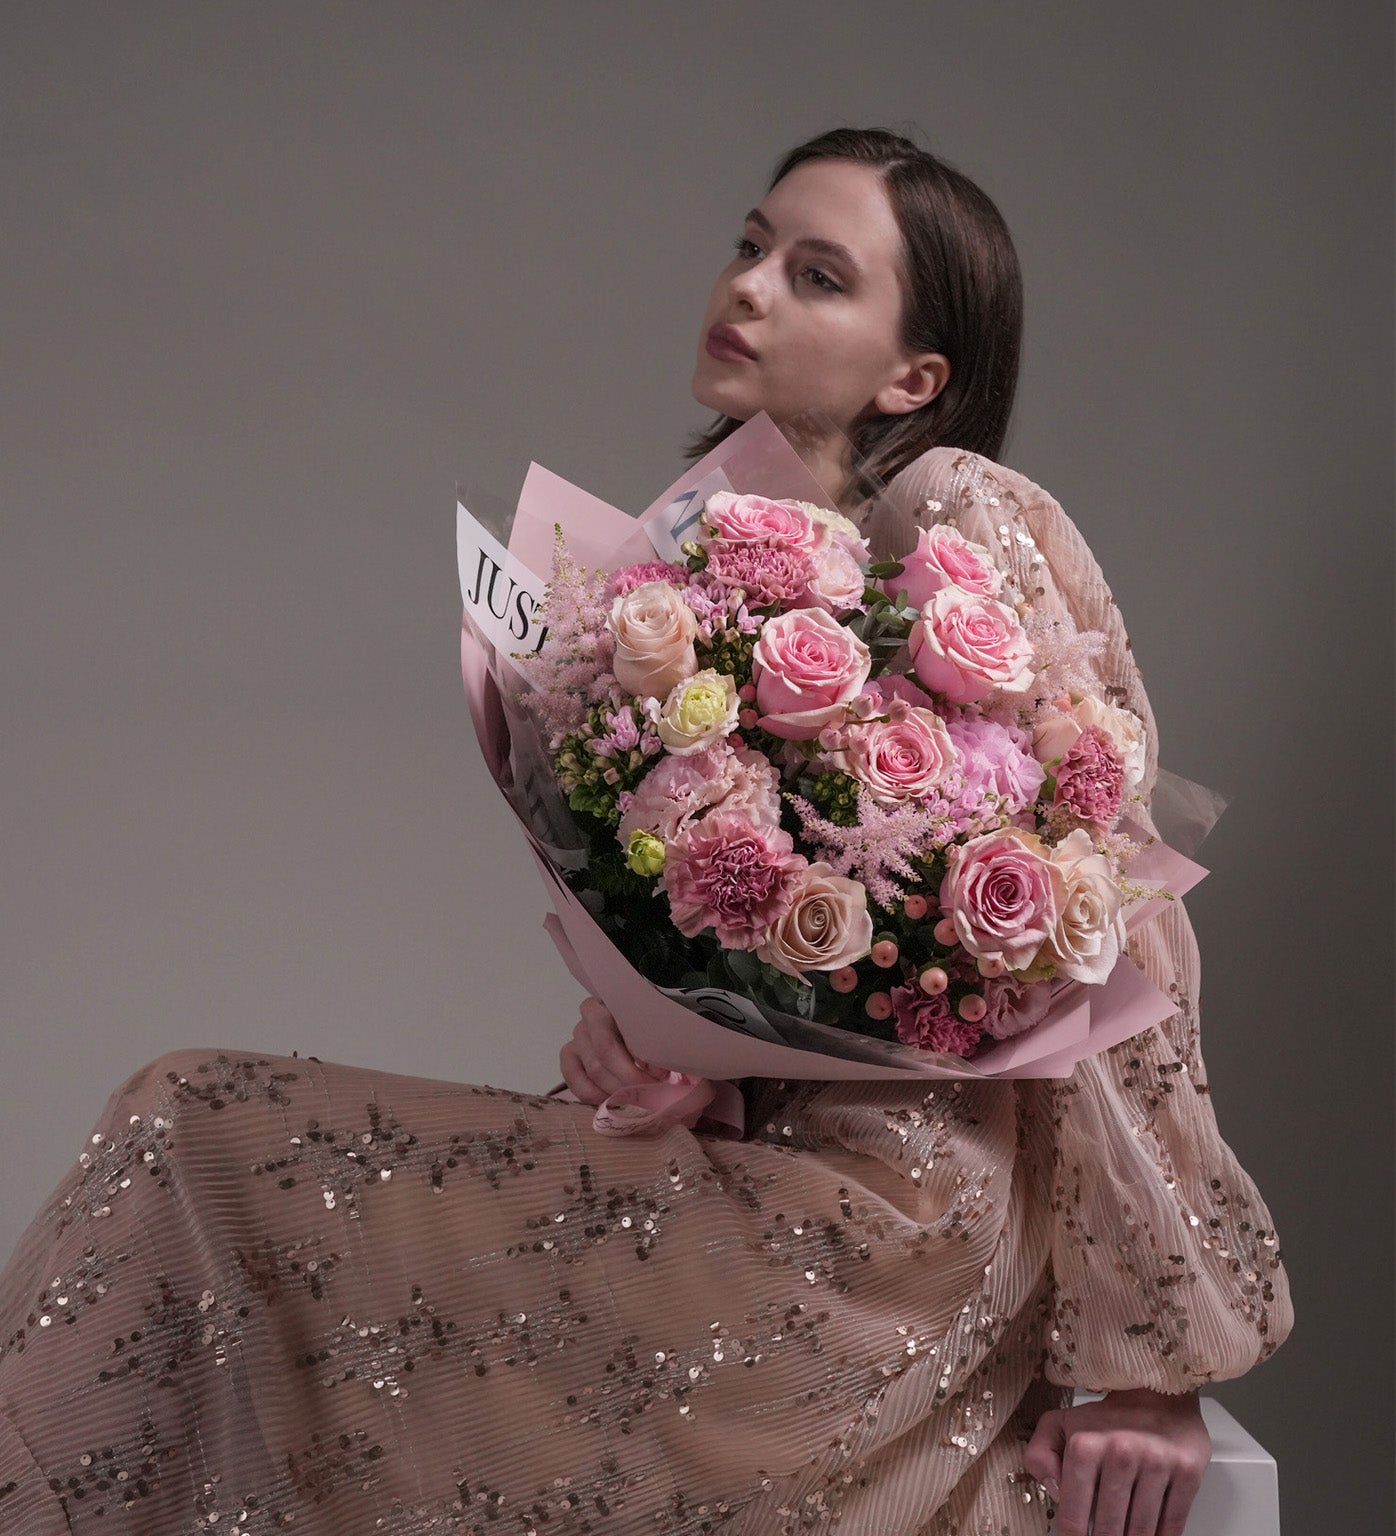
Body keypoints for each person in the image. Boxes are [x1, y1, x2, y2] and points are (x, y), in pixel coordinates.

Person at [0, 129, 1291, 1536]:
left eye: (817, 276)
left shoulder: (953, 509)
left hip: (886, 1235)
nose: (749, 286)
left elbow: (1113, 919)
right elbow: (812, 973)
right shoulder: (718, 568)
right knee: (205, 1166)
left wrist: (1159, 1366)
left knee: (192, 1128)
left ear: (915, 377)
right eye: (750, 246)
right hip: (763, 1173)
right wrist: (680, 1061)